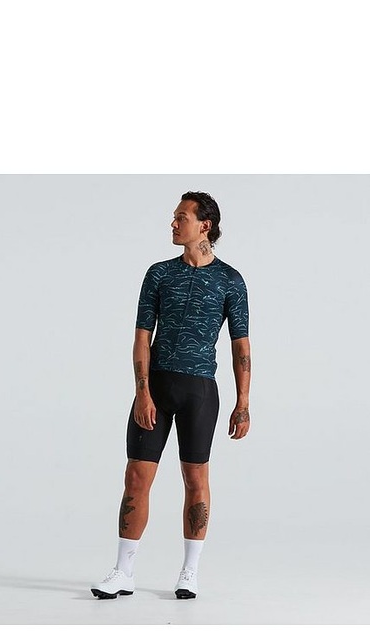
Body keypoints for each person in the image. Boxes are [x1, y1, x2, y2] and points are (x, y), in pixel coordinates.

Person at [90, 191, 251, 600]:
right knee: (136, 477)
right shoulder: (159, 274)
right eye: (174, 217)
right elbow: (141, 337)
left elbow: (241, 346)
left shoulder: (230, 280)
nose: (173, 224)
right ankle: (123, 571)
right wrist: (142, 392)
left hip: (200, 391)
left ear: (205, 225)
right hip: (157, 389)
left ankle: (189, 572)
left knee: (196, 480)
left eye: (182, 217)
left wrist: (243, 403)